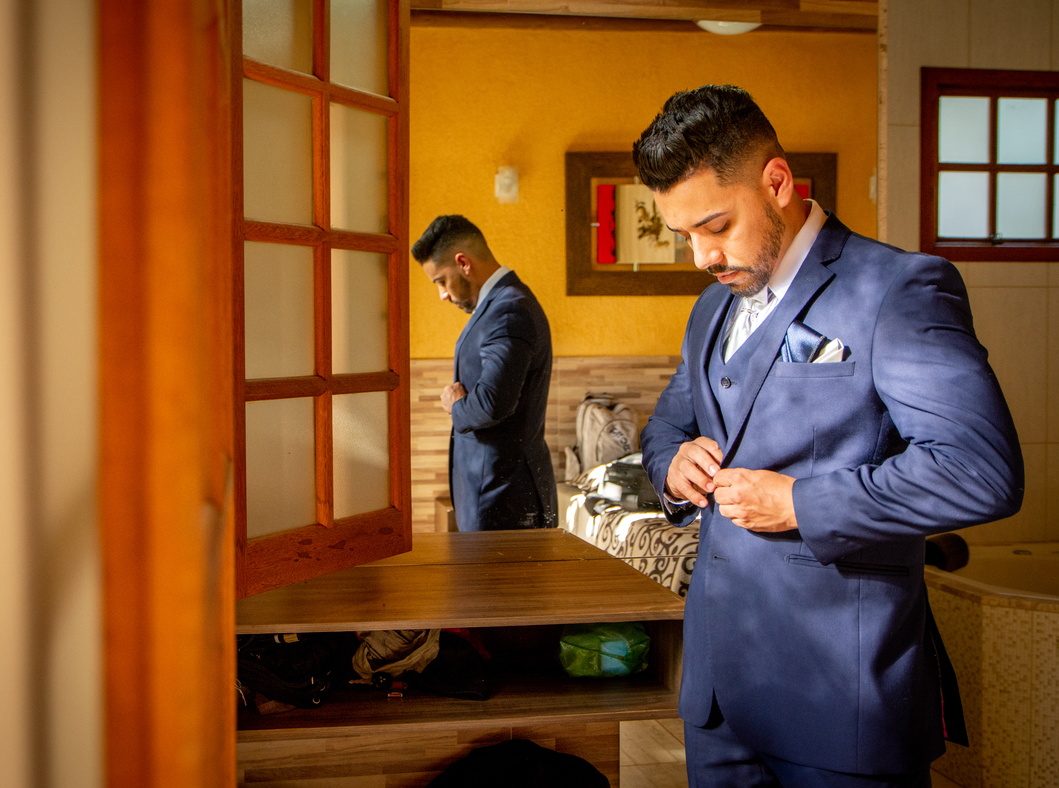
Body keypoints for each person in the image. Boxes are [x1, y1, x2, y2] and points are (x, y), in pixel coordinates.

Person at [633, 85, 1023, 787]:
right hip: (717, 700)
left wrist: (800, 504)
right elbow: (666, 424)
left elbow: (979, 469)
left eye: (715, 226)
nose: (700, 257)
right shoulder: (710, 309)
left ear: (777, 182)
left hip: (844, 703)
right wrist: (672, 465)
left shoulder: (898, 289)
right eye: (684, 234)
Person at [412, 215, 558, 532]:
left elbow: (493, 403)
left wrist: (455, 406)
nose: (442, 295)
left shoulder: (508, 309)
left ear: (463, 263)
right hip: (495, 495)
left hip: (502, 499)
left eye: (441, 281)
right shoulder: (500, 305)